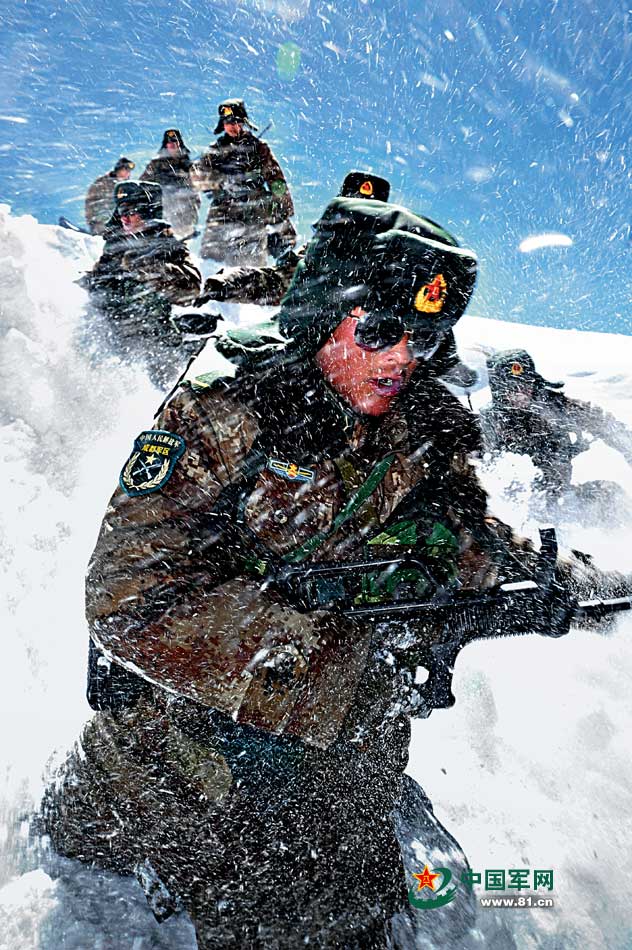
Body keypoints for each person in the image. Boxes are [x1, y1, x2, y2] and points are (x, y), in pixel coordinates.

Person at [41, 197, 628, 949]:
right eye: (380, 331)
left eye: (424, 337)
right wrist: (338, 657)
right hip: (184, 735)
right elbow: (126, 599)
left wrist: (578, 587)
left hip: (340, 747)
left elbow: (467, 544)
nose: (403, 357)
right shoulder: (229, 409)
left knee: (359, 898)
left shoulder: (421, 427)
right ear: (324, 316)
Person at [197, 170, 477, 388]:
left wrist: (444, 360)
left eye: (370, 207)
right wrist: (227, 283)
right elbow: (278, 280)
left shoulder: (398, 262)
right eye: (355, 205)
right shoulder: (324, 260)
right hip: (317, 350)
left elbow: (423, 315)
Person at [480, 349, 632, 520]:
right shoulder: (488, 422)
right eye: (512, 387)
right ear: (499, 390)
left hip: (563, 501)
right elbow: (475, 466)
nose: (521, 392)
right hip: (515, 510)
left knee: (608, 494)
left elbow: (605, 424)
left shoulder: (556, 406)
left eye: (525, 384)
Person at [83, 180, 202, 388]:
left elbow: (191, 288)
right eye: (121, 212)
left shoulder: (168, 246)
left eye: (131, 211)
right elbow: (97, 285)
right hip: (112, 339)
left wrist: (149, 269)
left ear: (146, 212)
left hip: (155, 341)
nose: (125, 218)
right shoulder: (114, 249)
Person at [191, 98, 296, 265]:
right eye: (227, 122)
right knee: (220, 266)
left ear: (244, 123)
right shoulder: (215, 150)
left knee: (255, 261)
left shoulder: (259, 148)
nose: (232, 126)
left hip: (255, 209)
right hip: (225, 212)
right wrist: (220, 181)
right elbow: (196, 175)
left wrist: (282, 208)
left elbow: (276, 180)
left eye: (236, 121)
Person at [139, 129, 201, 241]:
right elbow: (142, 184)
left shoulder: (188, 165)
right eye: (169, 142)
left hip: (183, 212)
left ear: (179, 144)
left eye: (175, 142)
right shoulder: (155, 164)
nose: (172, 145)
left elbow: (195, 190)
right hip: (163, 209)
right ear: (166, 145)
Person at [84, 157, 136, 235]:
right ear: (119, 169)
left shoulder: (126, 185)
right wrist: (93, 221)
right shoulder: (103, 183)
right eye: (126, 170)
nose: (128, 173)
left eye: (129, 171)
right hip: (101, 222)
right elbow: (91, 202)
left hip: (118, 222)